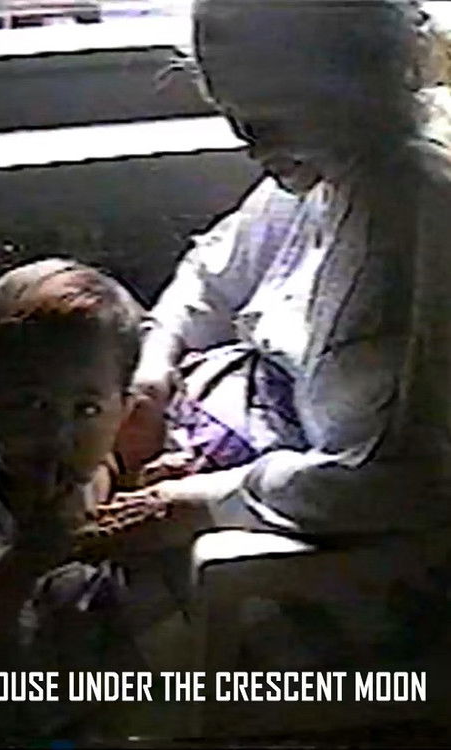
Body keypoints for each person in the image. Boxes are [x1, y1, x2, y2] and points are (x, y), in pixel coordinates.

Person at [97, 0, 451, 548]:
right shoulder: (325, 164)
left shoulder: (410, 203)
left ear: (345, 87)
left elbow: (398, 481)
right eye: (233, 119)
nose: (249, 147)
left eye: (262, 124)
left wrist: (200, 501)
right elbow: (211, 275)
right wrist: (152, 372)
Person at [0, 257, 158, 742]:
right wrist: (20, 563)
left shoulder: (93, 472)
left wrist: (142, 485)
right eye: (32, 403)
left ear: (123, 410)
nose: (59, 433)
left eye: (86, 409)